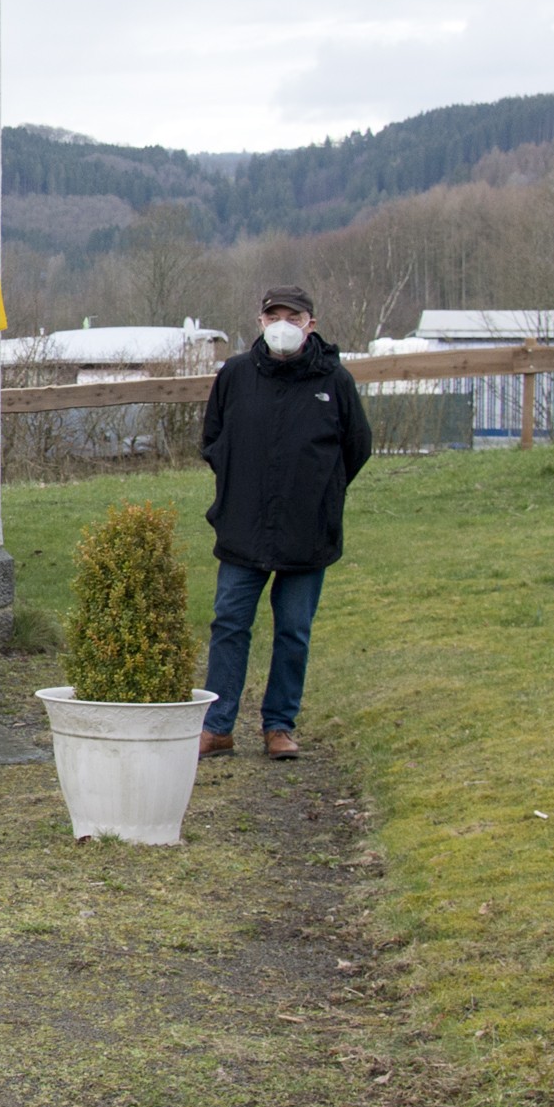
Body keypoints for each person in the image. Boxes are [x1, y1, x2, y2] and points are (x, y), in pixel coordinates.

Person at [197, 284, 372, 761]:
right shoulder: (235, 375)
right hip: (242, 528)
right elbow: (213, 439)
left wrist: (321, 493)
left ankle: (279, 726)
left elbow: (356, 448)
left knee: (293, 630)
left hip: (306, 533)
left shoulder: (334, 380)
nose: (282, 325)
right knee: (230, 624)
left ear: (310, 324)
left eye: (292, 317)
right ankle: (217, 727)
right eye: (273, 316)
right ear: (259, 322)